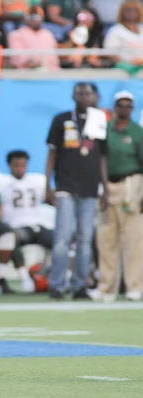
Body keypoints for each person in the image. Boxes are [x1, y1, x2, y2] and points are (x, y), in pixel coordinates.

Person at [45, 82, 108, 300]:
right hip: (65, 187)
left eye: (87, 93)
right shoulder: (61, 119)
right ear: (72, 96)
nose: (83, 97)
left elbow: (101, 157)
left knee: (85, 238)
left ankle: (81, 285)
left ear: (95, 96)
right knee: (63, 237)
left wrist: (105, 188)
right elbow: (52, 154)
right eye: (79, 92)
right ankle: (57, 284)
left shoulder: (100, 120)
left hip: (90, 189)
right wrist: (48, 185)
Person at [93, 91, 143, 302]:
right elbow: (100, 159)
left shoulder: (137, 131)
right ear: (114, 107)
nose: (124, 108)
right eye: (120, 105)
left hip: (131, 185)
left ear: (132, 108)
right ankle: (107, 288)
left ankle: (134, 286)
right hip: (107, 186)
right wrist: (102, 188)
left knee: (133, 239)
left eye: (128, 105)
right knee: (106, 239)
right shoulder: (105, 130)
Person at [0, 150, 51, 293]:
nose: (20, 168)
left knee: (62, 239)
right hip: (17, 227)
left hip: (38, 226)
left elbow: (50, 198)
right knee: (10, 237)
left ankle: (60, 276)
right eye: (16, 165)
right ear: (9, 165)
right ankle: (25, 278)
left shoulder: (36, 180)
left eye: (23, 165)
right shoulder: (2, 183)